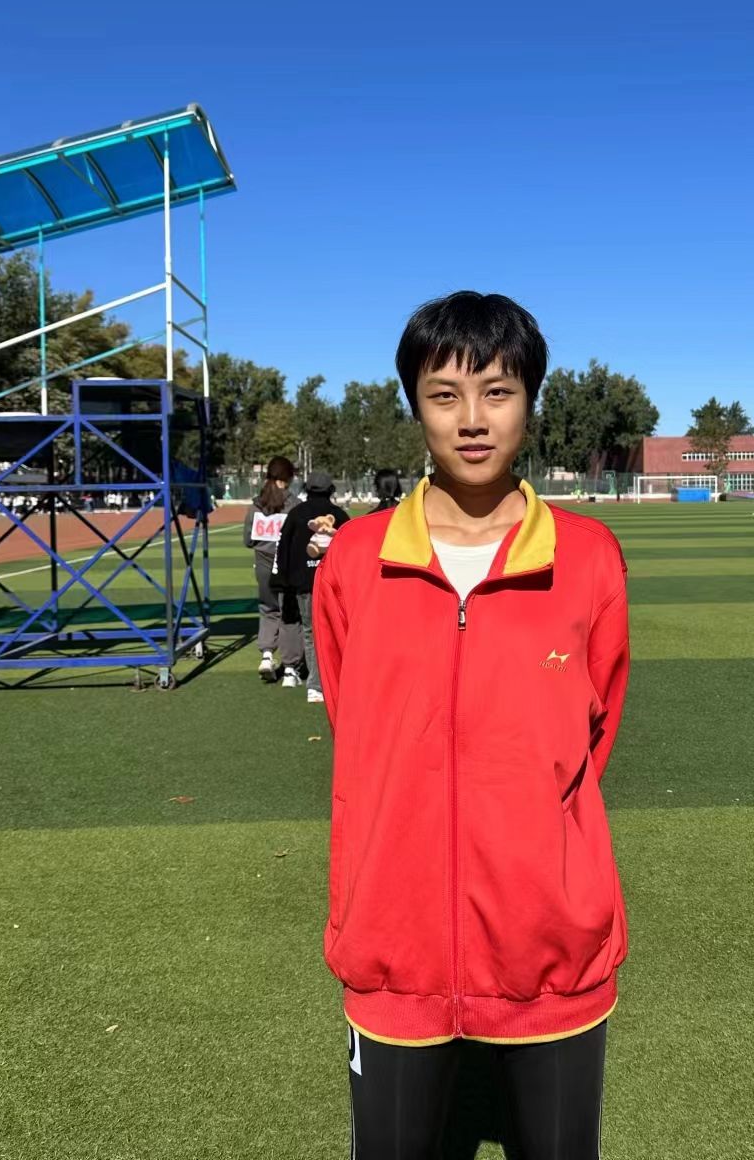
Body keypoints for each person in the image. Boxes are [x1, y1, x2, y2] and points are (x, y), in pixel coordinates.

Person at [313, 291, 630, 1158]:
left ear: (530, 401)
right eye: (444, 394)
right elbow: (357, 730)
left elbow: (592, 735)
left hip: (550, 957)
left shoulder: (588, 557)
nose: (473, 419)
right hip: (394, 956)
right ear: (415, 406)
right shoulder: (355, 559)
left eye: (498, 391)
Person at [270, 470, 350, 704]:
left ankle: (315, 684)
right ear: (330, 490)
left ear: (307, 489)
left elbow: (282, 550)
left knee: (310, 632)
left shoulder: (296, 514)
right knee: (333, 631)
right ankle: (322, 682)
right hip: (333, 584)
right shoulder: (340, 515)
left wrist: (282, 581)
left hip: (304, 583)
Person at [242, 456, 304, 687]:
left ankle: (267, 655)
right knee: (290, 614)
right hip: (286, 567)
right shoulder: (294, 505)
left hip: (263, 566)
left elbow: (248, 540)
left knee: (268, 610)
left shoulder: (256, 505)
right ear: (288, 478)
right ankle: (290, 669)